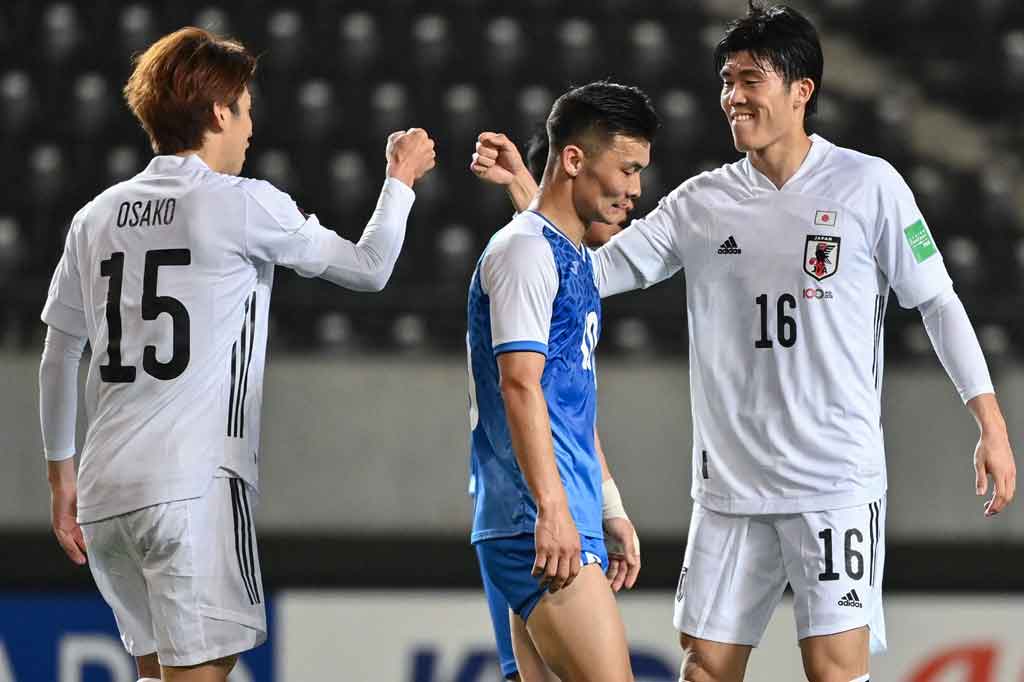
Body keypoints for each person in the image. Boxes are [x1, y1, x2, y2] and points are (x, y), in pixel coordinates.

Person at [470, 3, 1016, 681]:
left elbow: (937, 301)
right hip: (729, 492)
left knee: (835, 673)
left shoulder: (871, 187)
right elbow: (584, 272)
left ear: (801, 90)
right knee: (703, 672)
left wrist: (989, 422)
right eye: (727, 80)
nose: (732, 96)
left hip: (833, 483)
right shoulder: (701, 203)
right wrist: (534, 193)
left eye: (750, 79)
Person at [38, 26, 435, 682]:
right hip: (191, 489)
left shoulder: (96, 216)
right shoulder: (242, 205)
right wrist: (400, 180)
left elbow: (60, 349)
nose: (250, 127)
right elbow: (368, 268)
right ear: (218, 111)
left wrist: (61, 478)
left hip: (105, 495)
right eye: (245, 108)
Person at [466, 81, 655, 681]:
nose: (635, 189)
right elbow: (519, 386)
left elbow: (568, 402)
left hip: (557, 512)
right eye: (626, 168)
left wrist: (608, 505)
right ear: (574, 159)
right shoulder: (524, 252)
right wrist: (552, 508)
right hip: (537, 519)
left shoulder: (565, 255)